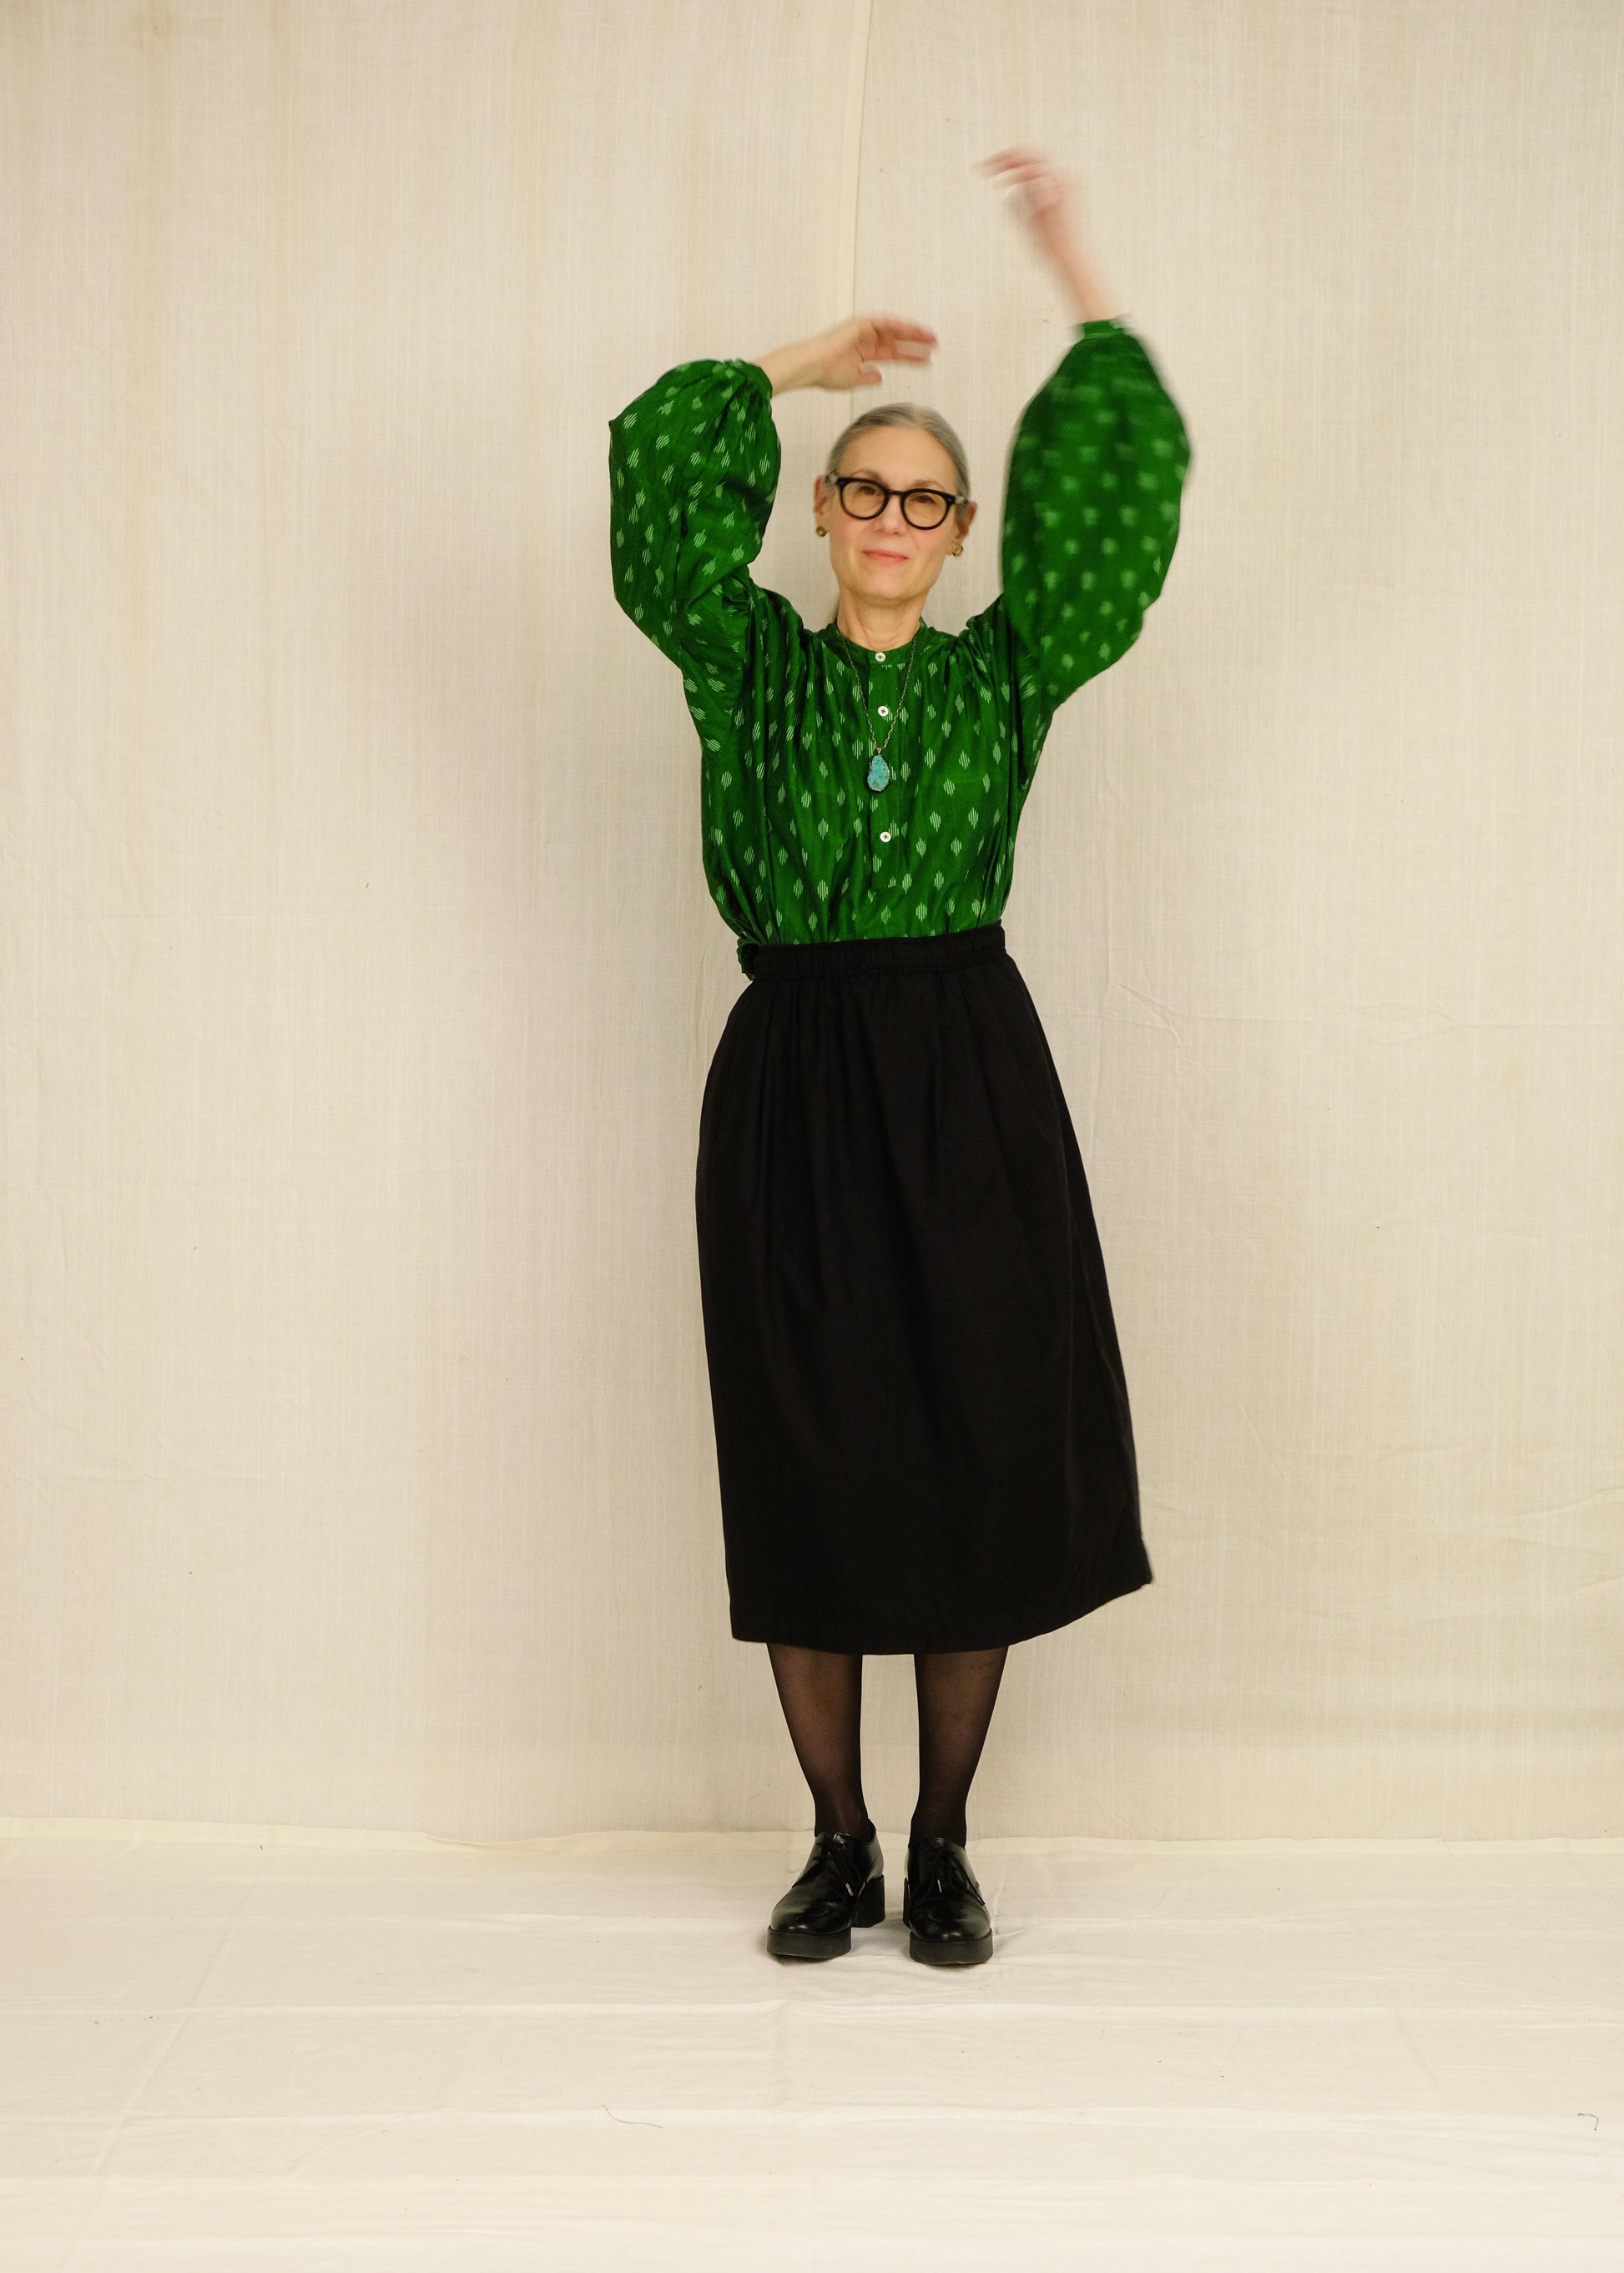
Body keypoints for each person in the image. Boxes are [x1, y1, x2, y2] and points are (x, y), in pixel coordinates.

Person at [608, 147, 1192, 1967]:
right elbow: (650, 490)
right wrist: (796, 368)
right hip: (790, 1072)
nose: (884, 513)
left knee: (970, 1439)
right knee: (810, 1448)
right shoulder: (746, 666)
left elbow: (1117, 511)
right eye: (861, 488)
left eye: (923, 499)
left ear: (955, 539)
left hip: (964, 1077)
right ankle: (834, 1842)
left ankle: (943, 1841)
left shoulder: (1005, 675)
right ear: (826, 513)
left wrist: (1079, 273)